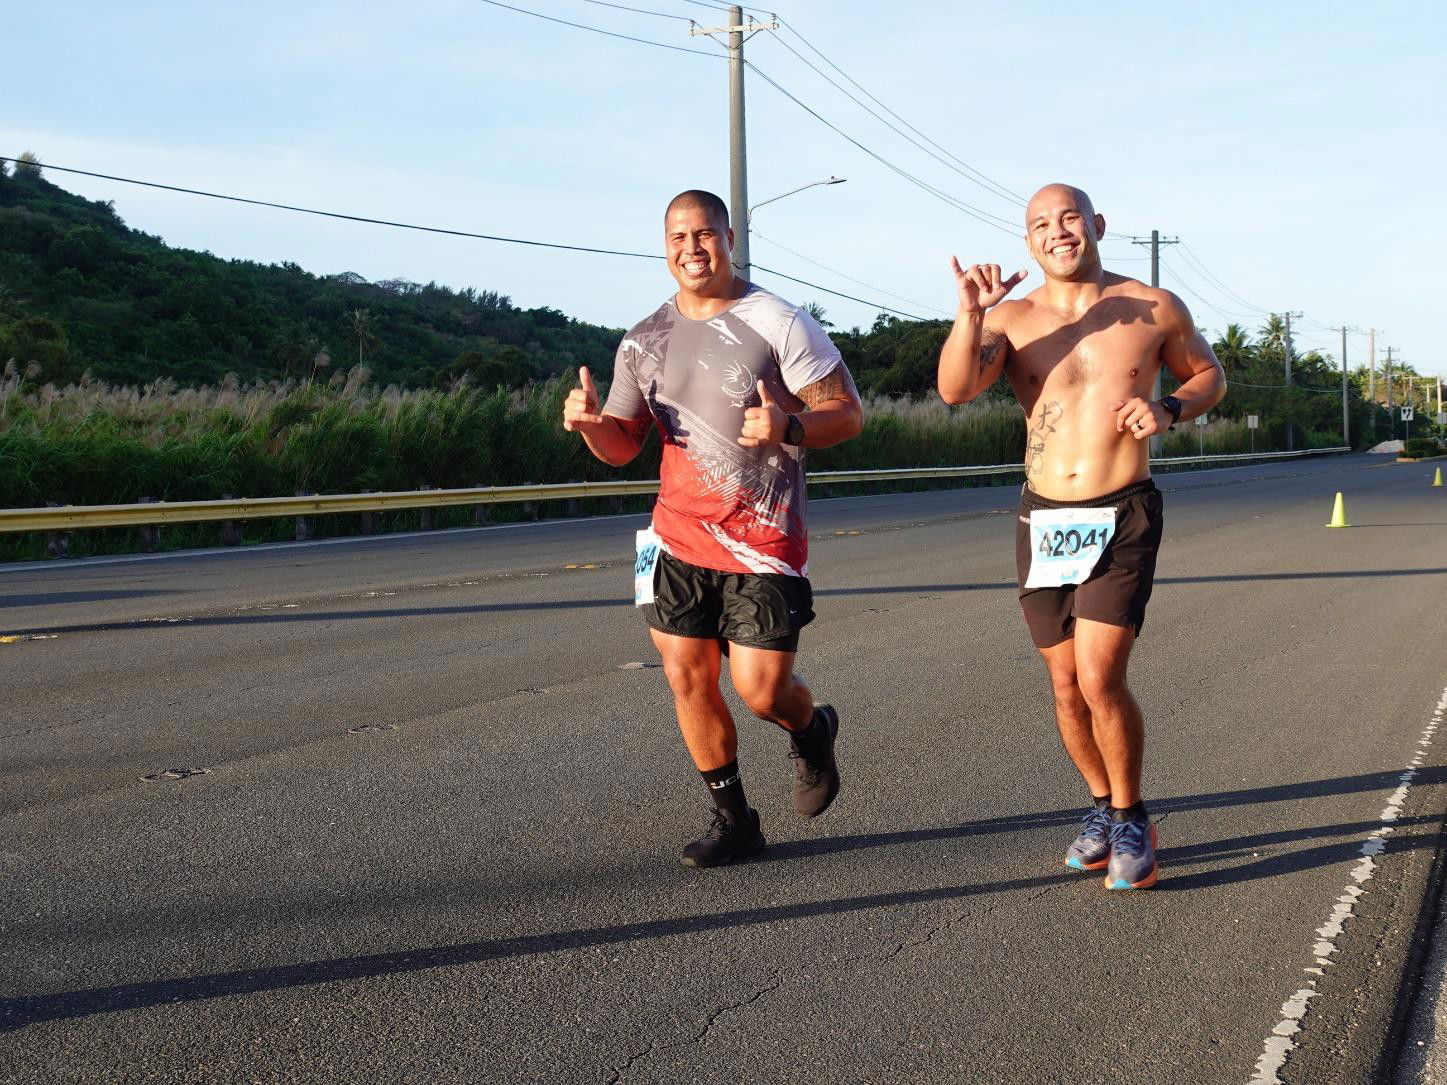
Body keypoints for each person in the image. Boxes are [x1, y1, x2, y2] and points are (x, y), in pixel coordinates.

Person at [563, 189, 864, 868]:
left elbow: (846, 414)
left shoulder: (779, 321)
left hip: (760, 538)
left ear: (730, 238)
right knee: (687, 677)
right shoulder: (643, 340)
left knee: (761, 691)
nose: (691, 248)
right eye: (678, 237)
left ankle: (810, 728)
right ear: (663, 245)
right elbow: (622, 445)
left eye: (705, 234)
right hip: (675, 536)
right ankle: (734, 820)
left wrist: (789, 425)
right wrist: (590, 427)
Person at [936, 183, 1226, 889]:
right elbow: (954, 389)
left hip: (1121, 508)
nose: (1056, 231)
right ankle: (1100, 805)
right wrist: (969, 315)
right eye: (1040, 223)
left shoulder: (1153, 306)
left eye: (1068, 217)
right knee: (1065, 686)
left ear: (1096, 223)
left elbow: (1208, 375)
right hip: (1044, 516)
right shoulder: (1010, 318)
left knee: (1100, 676)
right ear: (1027, 240)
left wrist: (1167, 408)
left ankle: (1131, 818)